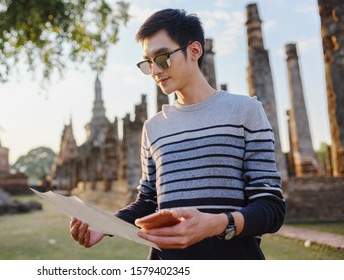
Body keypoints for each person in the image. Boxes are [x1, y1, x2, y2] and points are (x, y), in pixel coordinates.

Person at [70, 8, 285, 260]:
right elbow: (149, 201)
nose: (155, 71)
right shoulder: (153, 127)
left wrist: (216, 224)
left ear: (194, 51)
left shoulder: (246, 111)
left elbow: (271, 207)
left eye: (162, 58)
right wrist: (105, 225)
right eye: (148, 63)